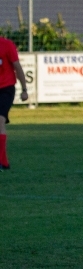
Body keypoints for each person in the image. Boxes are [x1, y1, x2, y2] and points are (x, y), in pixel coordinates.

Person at [0, 37, 28, 170]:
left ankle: (2, 161)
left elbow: (17, 67)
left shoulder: (6, 45)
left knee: (0, 120)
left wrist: (24, 90)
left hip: (6, 88)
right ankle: (4, 162)